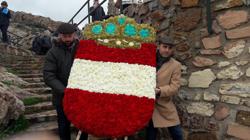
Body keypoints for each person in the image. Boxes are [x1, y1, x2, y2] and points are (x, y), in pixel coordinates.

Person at [43, 23, 88, 140]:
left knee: (83, 125)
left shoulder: (83, 48)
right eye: (64, 36)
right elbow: (48, 76)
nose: (68, 39)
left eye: (70, 36)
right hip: (61, 97)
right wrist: (65, 91)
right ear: (60, 36)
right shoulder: (52, 53)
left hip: (81, 96)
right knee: (63, 125)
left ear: (74, 35)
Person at [146, 37, 183, 140]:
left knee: (177, 133)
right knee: (151, 134)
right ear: (158, 46)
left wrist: (160, 90)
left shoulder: (176, 65)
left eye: (170, 48)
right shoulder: (148, 58)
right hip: (148, 104)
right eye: (164, 47)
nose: (167, 50)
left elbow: (175, 86)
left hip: (164, 104)